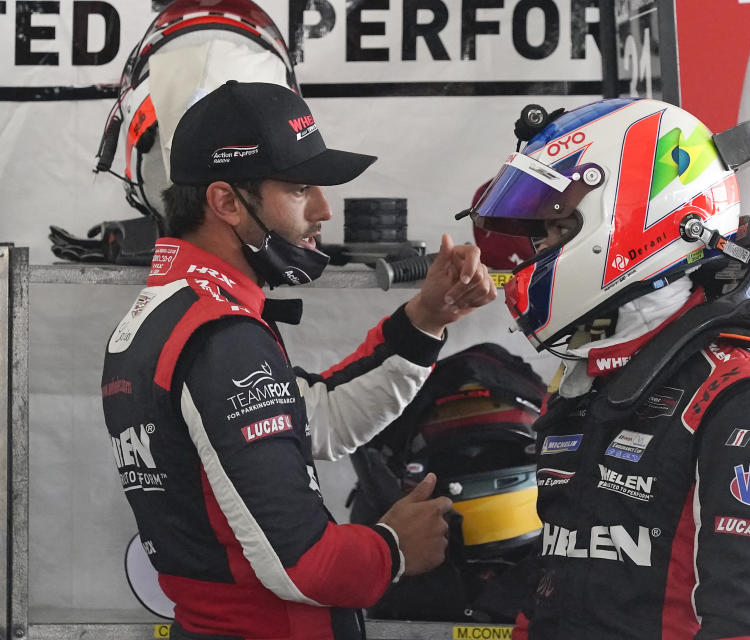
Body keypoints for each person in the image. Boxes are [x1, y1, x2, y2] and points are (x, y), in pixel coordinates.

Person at [101, 80, 496, 640]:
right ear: (226, 202)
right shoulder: (220, 336)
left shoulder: (170, 314)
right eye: (301, 188)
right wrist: (393, 548)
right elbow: (302, 563)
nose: (323, 210)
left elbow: (319, 418)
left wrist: (428, 316)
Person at [463, 98, 750, 639]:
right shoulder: (584, 379)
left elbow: (745, 624)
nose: (541, 248)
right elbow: (551, 585)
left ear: (632, 221)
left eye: (557, 229)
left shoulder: (738, 396)